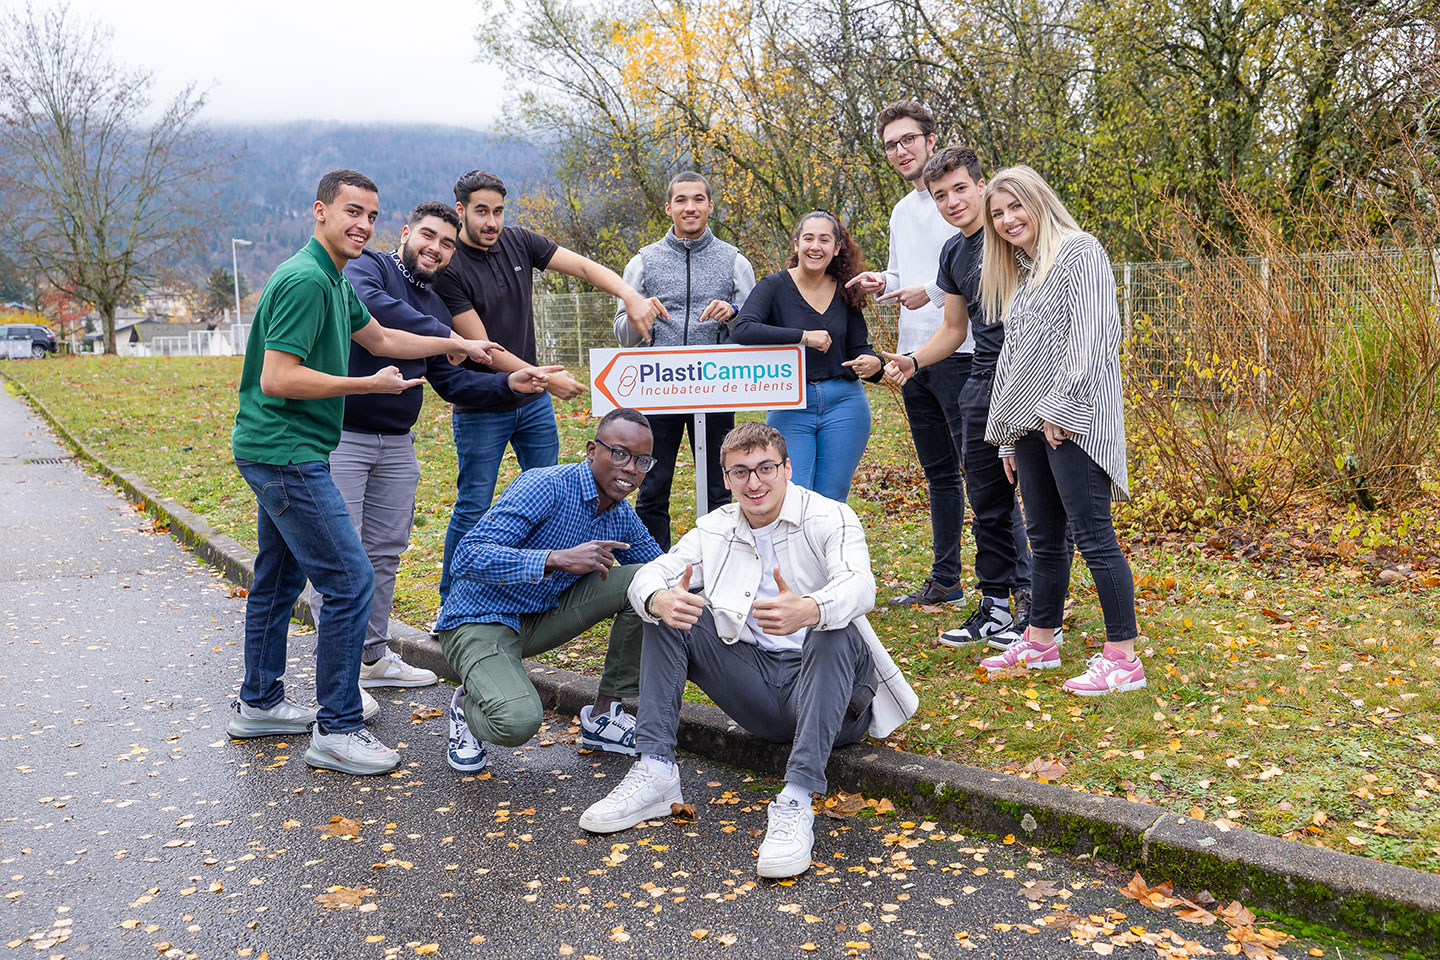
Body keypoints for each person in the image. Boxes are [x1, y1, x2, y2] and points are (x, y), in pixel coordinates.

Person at [227, 170, 497, 776]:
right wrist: (363, 385)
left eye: (372, 216)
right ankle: (338, 727)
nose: (363, 225)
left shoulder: (332, 277)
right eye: (353, 212)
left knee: (277, 578)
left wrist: (461, 346)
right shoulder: (303, 280)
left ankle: (261, 701)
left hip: (284, 446)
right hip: (285, 449)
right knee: (350, 579)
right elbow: (279, 378)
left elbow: (381, 337)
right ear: (320, 211)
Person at [577, 421, 918, 879]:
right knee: (668, 611)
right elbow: (651, 574)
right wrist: (658, 598)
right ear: (726, 477)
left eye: (765, 469)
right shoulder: (716, 528)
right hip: (755, 687)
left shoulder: (829, 516)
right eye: (740, 472)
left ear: (787, 468)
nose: (754, 482)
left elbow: (861, 587)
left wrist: (810, 608)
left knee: (833, 628)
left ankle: (797, 800)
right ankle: (656, 769)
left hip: (833, 702)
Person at [306, 201, 560, 696]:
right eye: (428, 236)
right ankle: (338, 675)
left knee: (384, 551)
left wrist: (511, 383)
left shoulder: (436, 305)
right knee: (342, 556)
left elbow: (453, 381)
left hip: (398, 442)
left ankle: (373, 656)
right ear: (405, 232)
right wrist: (453, 338)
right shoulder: (367, 268)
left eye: (447, 243)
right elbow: (375, 311)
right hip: (343, 436)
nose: (436, 249)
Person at [432, 171, 667, 604]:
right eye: (481, 211)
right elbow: (486, 348)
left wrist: (629, 295)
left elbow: (581, 266)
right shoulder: (450, 267)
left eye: (498, 211)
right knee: (474, 506)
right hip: (482, 405)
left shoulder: (520, 241)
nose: (492, 222)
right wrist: (546, 377)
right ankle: (453, 602)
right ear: (461, 210)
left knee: (556, 496)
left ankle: (540, 592)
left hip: (533, 406)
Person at [974, 165, 1145, 696]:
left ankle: (1123, 659)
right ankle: (1041, 638)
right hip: (1029, 424)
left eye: (1014, 207)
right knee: (1045, 539)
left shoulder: (1080, 252)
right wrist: (1006, 433)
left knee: (1093, 536)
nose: (1006, 220)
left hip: (1073, 421)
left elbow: (1093, 336)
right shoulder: (1026, 273)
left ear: (1039, 201)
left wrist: (1063, 408)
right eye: (997, 214)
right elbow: (1016, 359)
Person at [436, 408, 665, 773]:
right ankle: (466, 707)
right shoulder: (545, 485)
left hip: (541, 618)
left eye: (641, 461)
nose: (630, 469)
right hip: (479, 619)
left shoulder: (621, 515)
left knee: (650, 584)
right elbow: (467, 556)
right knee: (517, 721)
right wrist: (554, 559)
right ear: (592, 450)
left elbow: (662, 570)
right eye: (619, 454)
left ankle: (605, 715)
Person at [879, 147, 1038, 649]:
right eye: (941, 194)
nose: (952, 202)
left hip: (1026, 384)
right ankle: (993, 608)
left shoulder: (1012, 239)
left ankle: (1035, 602)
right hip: (979, 385)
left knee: (1033, 497)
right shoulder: (953, 253)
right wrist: (913, 361)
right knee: (985, 499)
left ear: (981, 184)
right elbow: (953, 328)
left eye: (961, 189)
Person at [846, 101, 970, 608]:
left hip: (961, 353)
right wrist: (884, 281)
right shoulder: (901, 211)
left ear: (931, 139)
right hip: (909, 358)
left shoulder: (959, 202)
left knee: (982, 474)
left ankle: (1016, 585)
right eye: (891, 144)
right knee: (939, 474)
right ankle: (946, 581)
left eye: (908, 140)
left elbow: (975, 271)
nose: (900, 151)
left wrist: (934, 294)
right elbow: (904, 274)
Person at [613, 171, 757, 549]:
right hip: (657, 389)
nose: (689, 207)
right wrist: (637, 313)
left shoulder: (734, 261)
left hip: (716, 387)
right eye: (681, 200)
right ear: (668, 207)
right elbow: (623, 337)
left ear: (710, 205)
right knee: (652, 486)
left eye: (698, 199)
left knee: (718, 486)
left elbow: (755, 330)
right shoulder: (642, 262)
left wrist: (735, 312)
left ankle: (720, 565)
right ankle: (653, 572)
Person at [730, 211, 882, 501]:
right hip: (791, 402)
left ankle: (825, 548)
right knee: (792, 494)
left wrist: (875, 364)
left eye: (825, 240)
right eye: (809, 238)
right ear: (796, 244)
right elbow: (744, 330)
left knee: (831, 498)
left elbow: (859, 348)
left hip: (845, 404)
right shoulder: (774, 286)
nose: (816, 246)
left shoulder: (845, 290)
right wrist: (802, 336)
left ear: (836, 248)